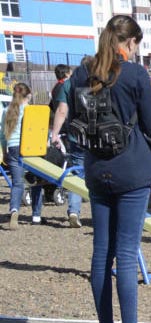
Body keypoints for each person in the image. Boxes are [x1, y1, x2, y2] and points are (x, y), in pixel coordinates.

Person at [66, 15, 151, 323]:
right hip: (131, 170)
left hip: (95, 169)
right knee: (125, 254)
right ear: (130, 43)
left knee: (100, 254)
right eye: (136, 44)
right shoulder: (135, 74)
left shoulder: (82, 73)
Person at [3, 82, 44, 227]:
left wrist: (4, 151)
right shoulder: (31, 110)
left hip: (13, 147)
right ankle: (36, 216)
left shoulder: (6, 110)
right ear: (29, 95)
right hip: (30, 148)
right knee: (36, 181)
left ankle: (14, 210)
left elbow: (3, 135)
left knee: (17, 183)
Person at [48, 63, 84, 228]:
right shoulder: (100, 81)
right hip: (100, 138)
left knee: (76, 174)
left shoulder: (65, 86)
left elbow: (61, 110)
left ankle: (74, 210)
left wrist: (54, 133)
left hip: (76, 135)